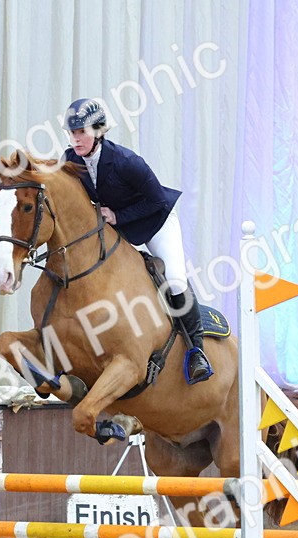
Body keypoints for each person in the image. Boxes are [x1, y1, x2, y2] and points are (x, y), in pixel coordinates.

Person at [62, 98, 213, 384]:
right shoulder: (71, 160)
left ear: (98, 131)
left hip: (155, 222)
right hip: (118, 229)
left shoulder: (126, 162)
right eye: (72, 133)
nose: (76, 139)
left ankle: (197, 350)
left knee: (176, 282)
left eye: (81, 132)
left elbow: (156, 201)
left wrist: (118, 216)